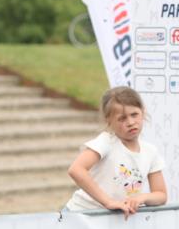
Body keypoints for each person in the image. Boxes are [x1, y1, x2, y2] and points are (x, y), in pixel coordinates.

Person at [66, 86, 167, 217]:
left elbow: (161, 195)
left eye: (134, 114)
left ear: (143, 112)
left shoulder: (151, 151)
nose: (130, 122)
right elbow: (76, 170)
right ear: (109, 120)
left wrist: (142, 198)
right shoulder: (106, 141)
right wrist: (108, 202)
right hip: (81, 216)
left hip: (115, 220)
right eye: (122, 118)